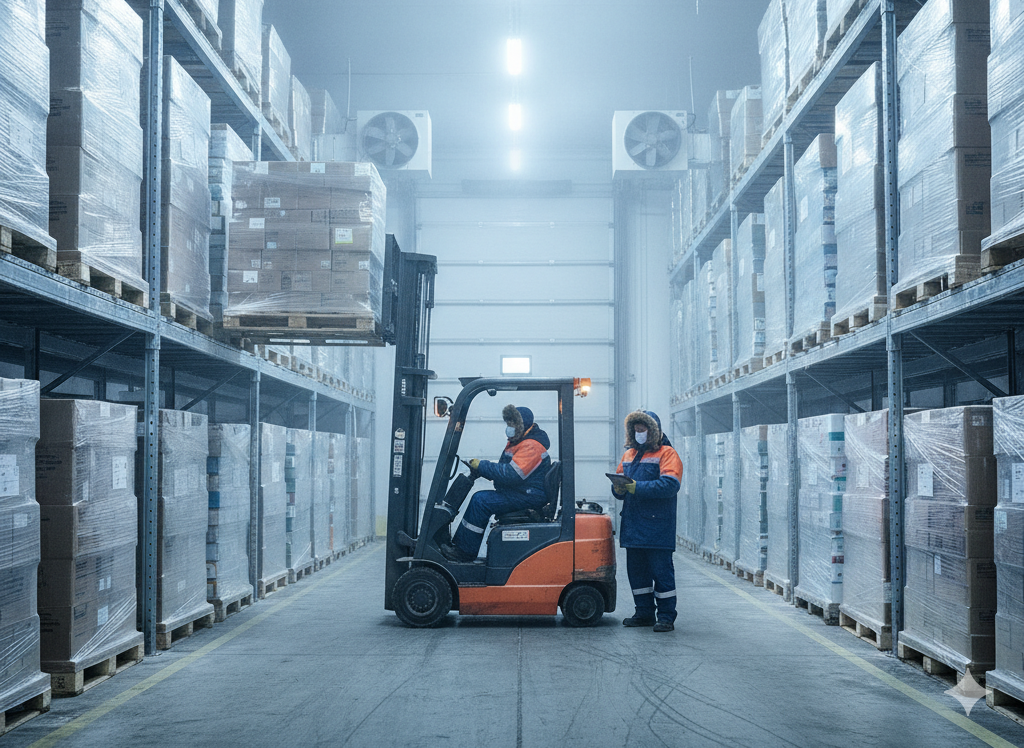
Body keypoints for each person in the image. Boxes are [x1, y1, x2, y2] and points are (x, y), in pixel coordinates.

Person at [441, 405, 552, 563]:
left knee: (481, 501)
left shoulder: (531, 446)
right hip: (524, 492)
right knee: (480, 498)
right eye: (508, 423)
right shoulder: (520, 441)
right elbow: (506, 469)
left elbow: (511, 474)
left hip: (528, 495)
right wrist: (483, 470)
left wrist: (482, 465)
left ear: (521, 425)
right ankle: (461, 546)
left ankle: (464, 552)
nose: (509, 428)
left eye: (511, 424)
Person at [612, 410, 682, 632]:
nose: (638, 433)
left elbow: (670, 485)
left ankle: (666, 616)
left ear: (653, 430)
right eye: (635, 429)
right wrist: (618, 488)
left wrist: (636, 487)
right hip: (634, 525)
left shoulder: (667, 453)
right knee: (637, 573)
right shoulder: (629, 454)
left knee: (661, 573)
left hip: (657, 526)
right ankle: (643, 612)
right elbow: (621, 487)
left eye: (642, 429)